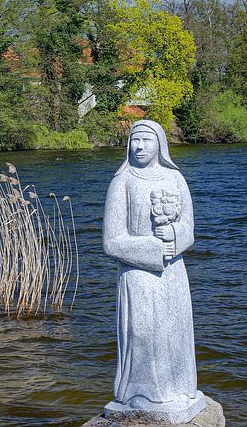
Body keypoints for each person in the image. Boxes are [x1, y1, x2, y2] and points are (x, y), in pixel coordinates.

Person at [102, 119, 205, 423]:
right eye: (135, 140)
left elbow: (189, 227)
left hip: (173, 274)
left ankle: (179, 390)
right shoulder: (122, 182)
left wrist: (174, 238)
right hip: (138, 276)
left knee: (174, 334)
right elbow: (111, 242)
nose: (140, 146)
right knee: (143, 333)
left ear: (160, 144)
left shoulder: (175, 178)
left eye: (147, 140)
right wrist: (154, 250)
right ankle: (138, 395)